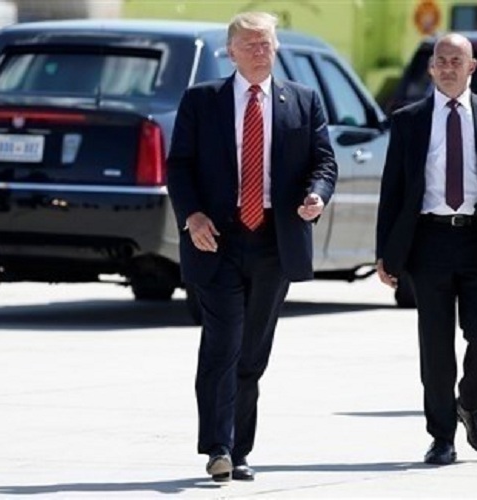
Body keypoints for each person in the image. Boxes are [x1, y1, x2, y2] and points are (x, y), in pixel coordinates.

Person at [166, 11, 337, 482]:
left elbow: (324, 161)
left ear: (276, 48)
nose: (260, 52)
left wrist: (317, 195)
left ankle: (240, 449)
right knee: (222, 344)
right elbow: (179, 165)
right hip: (217, 240)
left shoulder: (302, 100)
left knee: (252, 353)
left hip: (274, 242)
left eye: (267, 44)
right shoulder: (203, 101)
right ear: (231, 52)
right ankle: (218, 447)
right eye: (250, 45)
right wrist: (192, 215)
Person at [375, 33, 477, 466]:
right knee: (436, 346)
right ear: (430, 68)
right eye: (440, 61)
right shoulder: (409, 120)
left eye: (455, 61)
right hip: (430, 242)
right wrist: (385, 252)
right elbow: (393, 189)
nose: (447, 68)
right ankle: (441, 436)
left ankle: (472, 405)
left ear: (471, 67)